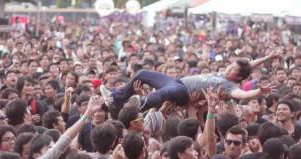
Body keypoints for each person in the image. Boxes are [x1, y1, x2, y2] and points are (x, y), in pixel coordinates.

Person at [101, 50, 281, 118]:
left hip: (183, 93)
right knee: (142, 73)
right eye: (231, 66)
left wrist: (258, 91)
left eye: (233, 70)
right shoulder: (224, 73)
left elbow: (242, 95)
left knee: (162, 94)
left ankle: (132, 111)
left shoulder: (230, 86)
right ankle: (116, 99)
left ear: (238, 78)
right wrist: (269, 57)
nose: (229, 69)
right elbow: (248, 65)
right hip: (177, 82)